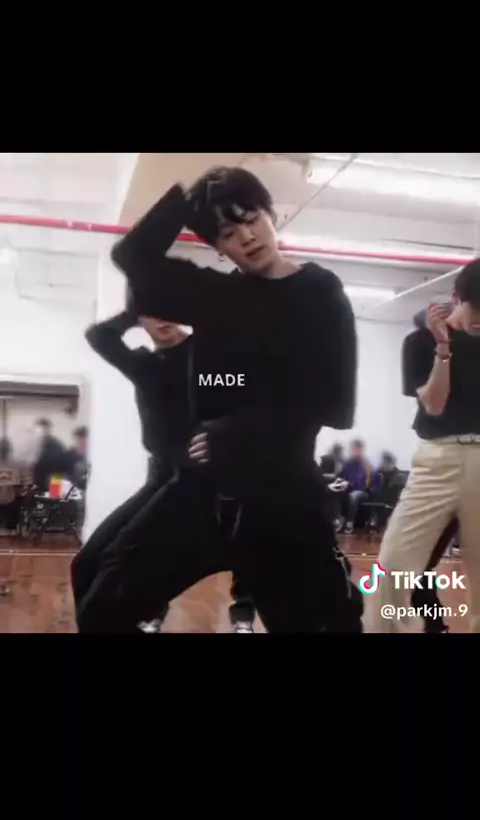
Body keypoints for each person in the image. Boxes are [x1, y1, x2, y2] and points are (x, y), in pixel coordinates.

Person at [76, 168, 362, 633]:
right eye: (227, 233)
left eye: (251, 219)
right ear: (218, 247)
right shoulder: (219, 296)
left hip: (280, 493)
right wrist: (194, 194)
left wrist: (238, 430)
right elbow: (133, 256)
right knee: (102, 602)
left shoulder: (318, 293)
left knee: (325, 626)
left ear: (272, 215)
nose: (246, 237)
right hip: (204, 489)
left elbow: (333, 402)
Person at [72, 309, 255, 632]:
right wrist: (136, 308)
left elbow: (246, 394)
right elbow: (99, 336)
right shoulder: (144, 365)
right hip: (160, 478)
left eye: (167, 308)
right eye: (151, 312)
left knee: (118, 576)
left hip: (198, 484)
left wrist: (224, 433)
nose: (161, 318)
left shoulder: (206, 358)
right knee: (85, 566)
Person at [364, 259, 480, 632]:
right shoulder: (420, 342)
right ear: (456, 297)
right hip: (438, 460)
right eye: (476, 309)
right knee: (393, 568)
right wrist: (444, 347)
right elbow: (433, 405)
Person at [334, 440, 379, 534]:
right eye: (352, 449)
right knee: (333, 490)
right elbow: (341, 476)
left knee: (354, 495)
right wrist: (339, 481)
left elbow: (364, 485)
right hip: (348, 489)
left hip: (364, 493)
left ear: (360, 450)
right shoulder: (347, 464)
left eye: (355, 449)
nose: (352, 451)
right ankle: (337, 519)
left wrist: (349, 484)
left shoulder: (366, 465)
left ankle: (349, 522)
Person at [32, 418, 68, 493]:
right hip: (33, 487)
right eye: (39, 431)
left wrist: (55, 490)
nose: (42, 434)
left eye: (44, 430)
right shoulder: (30, 446)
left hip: (52, 486)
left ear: (49, 430)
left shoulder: (58, 447)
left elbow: (62, 470)